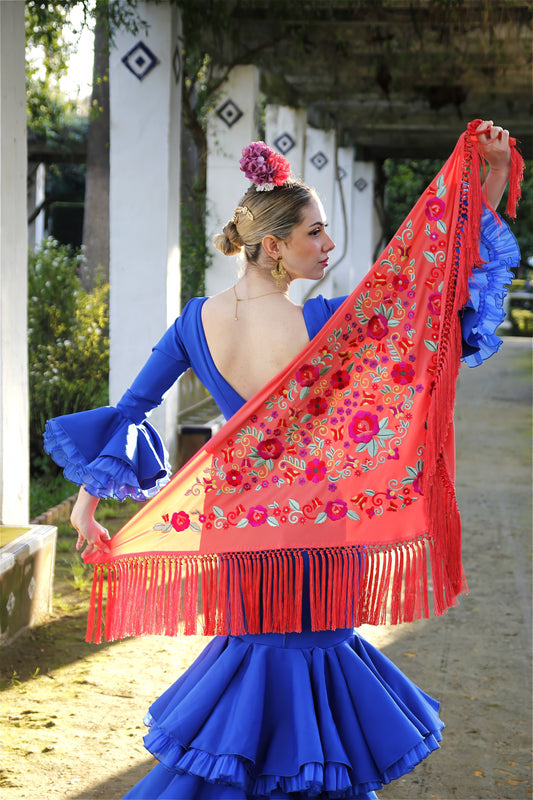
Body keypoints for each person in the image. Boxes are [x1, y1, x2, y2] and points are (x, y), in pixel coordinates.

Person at [45, 121, 519, 799]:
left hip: (237, 529)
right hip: (319, 531)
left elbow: (131, 410)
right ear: (273, 246)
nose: (328, 245)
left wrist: (87, 508)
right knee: (313, 670)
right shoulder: (326, 325)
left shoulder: (194, 321)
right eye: (314, 233)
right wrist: (491, 178)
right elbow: (437, 285)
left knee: (254, 661)